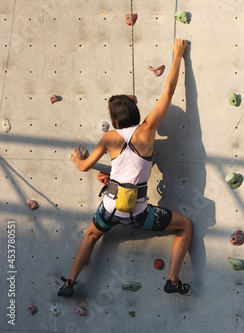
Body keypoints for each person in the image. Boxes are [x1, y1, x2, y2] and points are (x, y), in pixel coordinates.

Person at [58, 38, 192, 296]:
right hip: (138, 213)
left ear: (114, 119)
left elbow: (85, 166)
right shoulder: (147, 129)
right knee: (185, 226)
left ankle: (69, 283)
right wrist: (177, 56)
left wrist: (77, 159)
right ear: (135, 111)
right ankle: (172, 281)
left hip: (109, 207)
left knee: (90, 236)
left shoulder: (109, 139)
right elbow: (169, 92)